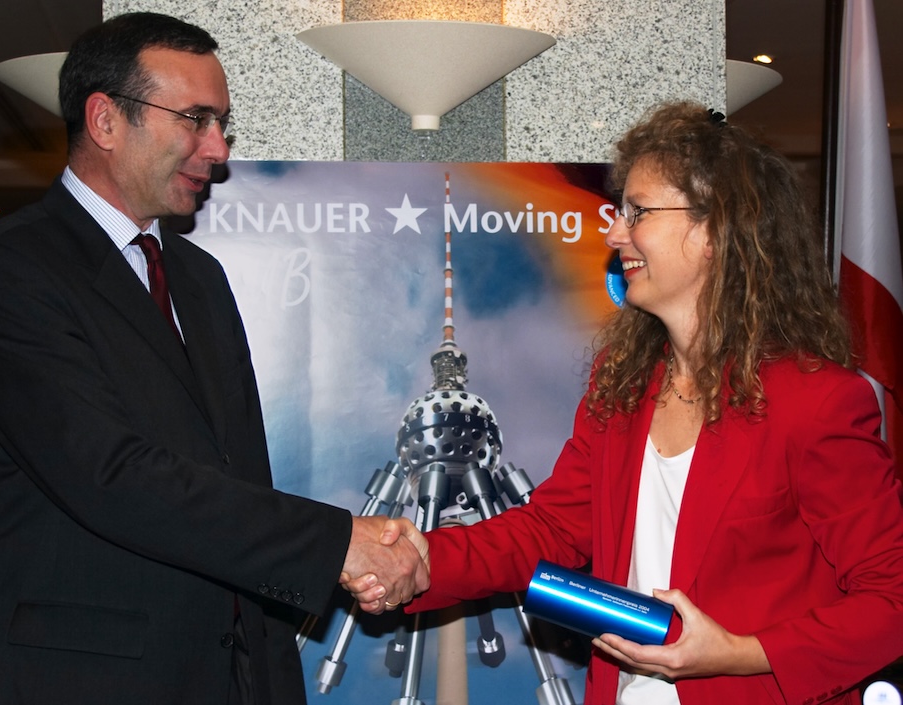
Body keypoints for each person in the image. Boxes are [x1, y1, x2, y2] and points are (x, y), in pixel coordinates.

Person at [360, 102, 903, 704]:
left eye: (638, 212)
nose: (615, 232)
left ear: (714, 230)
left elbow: (893, 601)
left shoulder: (819, 400)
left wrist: (739, 653)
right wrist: (419, 558)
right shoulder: (620, 388)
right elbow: (552, 530)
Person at [0, 12, 425, 705]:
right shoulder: (9, 274)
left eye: (222, 122)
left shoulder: (198, 277)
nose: (217, 148)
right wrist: (335, 544)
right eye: (195, 118)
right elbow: (112, 475)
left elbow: (238, 475)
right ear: (104, 121)